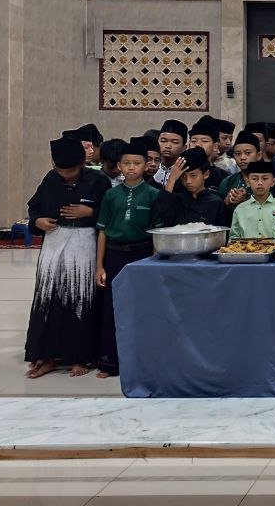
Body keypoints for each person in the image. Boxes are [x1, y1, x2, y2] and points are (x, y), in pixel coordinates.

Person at [24, 137, 110, 379]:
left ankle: (80, 356)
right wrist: (38, 222)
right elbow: (35, 208)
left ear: (82, 163)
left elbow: (110, 212)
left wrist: (91, 212)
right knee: (48, 298)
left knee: (80, 297)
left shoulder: (98, 180)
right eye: (61, 171)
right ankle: (47, 356)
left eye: (71, 171)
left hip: (84, 244)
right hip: (54, 242)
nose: (66, 176)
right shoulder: (51, 179)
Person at [94, 139, 161, 378]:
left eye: (137, 163)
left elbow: (157, 233)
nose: (132, 167)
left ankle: (142, 361)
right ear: (119, 166)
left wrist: (154, 263)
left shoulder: (154, 195)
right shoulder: (111, 195)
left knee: (142, 308)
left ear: (146, 165)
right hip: (114, 255)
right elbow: (102, 231)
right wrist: (99, 266)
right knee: (112, 308)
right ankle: (109, 362)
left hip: (142, 254)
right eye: (127, 163)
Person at [152, 147, 229, 227]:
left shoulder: (216, 202)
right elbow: (162, 219)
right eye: (183, 176)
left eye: (193, 175)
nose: (188, 181)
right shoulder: (176, 200)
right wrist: (172, 179)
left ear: (206, 174)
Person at [231, 161, 275, 240]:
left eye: (265, 178)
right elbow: (233, 238)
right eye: (254, 179)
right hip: (247, 248)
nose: (260, 183)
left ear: (273, 182)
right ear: (248, 182)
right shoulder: (240, 209)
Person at [217, 131, 262, 209]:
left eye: (247, 153)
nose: (242, 158)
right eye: (238, 154)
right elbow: (217, 211)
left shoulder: (269, 182)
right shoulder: (228, 182)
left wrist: (246, 202)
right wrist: (226, 202)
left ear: (259, 155)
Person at [186, 122, 228, 192]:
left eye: (204, 141)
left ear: (215, 146)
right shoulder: (181, 172)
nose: (198, 144)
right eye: (193, 141)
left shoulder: (224, 177)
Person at [152, 120, 187, 186]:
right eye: (163, 141)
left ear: (184, 148)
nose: (168, 146)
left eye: (175, 142)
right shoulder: (150, 167)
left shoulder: (186, 171)